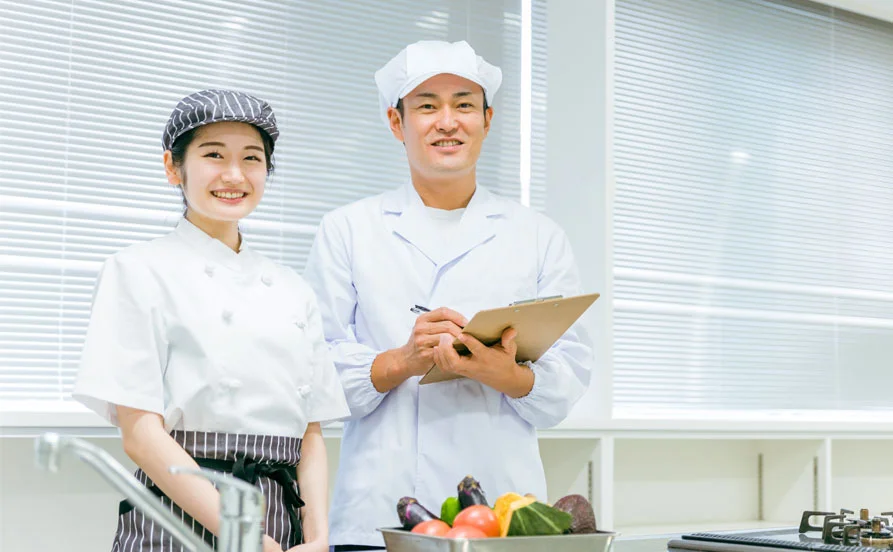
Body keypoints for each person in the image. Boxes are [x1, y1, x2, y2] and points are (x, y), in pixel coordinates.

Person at [303, 40, 594, 551]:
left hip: (503, 516)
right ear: (397, 123)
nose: (447, 121)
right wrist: (401, 360)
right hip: (378, 509)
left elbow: (569, 376)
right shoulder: (347, 229)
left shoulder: (538, 235)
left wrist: (506, 374)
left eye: (463, 104)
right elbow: (312, 375)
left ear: (487, 119)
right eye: (426, 106)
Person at [74, 89, 349, 552]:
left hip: (280, 523)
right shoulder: (137, 270)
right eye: (214, 155)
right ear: (172, 167)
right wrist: (239, 532)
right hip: (179, 518)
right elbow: (141, 435)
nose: (234, 175)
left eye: (252, 158)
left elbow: (312, 430)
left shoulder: (292, 288)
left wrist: (319, 535)